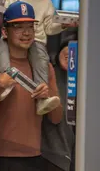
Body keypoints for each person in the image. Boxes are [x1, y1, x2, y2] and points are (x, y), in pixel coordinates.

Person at [0, 1, 63, 171]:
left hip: (34, 155)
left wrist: (49, 96)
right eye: (18, 27)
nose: (26, 33)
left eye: (30, 27)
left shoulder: (45, 68)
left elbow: (56, 118)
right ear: (4, 31)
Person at [0, 0, 78, 115]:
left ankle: (41, 98)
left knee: (41, 59)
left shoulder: (46, 2)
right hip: (9, 40)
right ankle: (5, 82)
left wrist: (63, 25)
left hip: (36, 40)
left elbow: (49, 27)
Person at [40, 36, 77, 171]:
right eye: (66, 49)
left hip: (80, 156)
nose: (70, 53)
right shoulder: (49, 75)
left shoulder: (88, 83)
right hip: (51, 155)